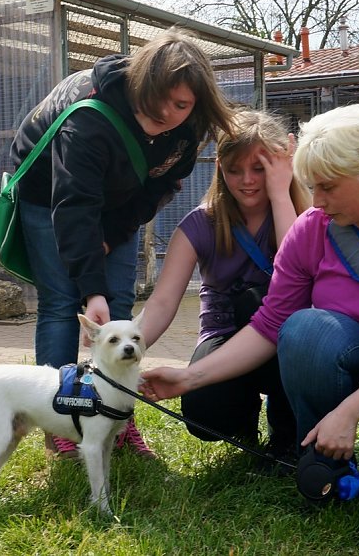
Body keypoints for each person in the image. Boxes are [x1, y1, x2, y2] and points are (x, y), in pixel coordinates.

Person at [140, 104, 359, 499]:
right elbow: (270, 324)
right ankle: (325, 461)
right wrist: (189, 377)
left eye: (327, 187)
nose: (317, 201)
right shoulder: (311, 229)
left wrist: (347, 412)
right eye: (312, 186)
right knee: (303, 329)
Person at [12, 27, 234, 459]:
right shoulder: (89, 116)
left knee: (118, 310)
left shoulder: (189, 125)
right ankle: (62, 420)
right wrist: (90, 284)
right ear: (141, 86)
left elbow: (160, 186)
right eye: (157, 104)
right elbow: (74, 204)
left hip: (120, 200)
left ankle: (117, 417)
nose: (168, 115)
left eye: (182, 105)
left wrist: (112, 238)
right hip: (49, 197)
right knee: (63, 304)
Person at [138, 109, 311, 462]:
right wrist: (124, 344)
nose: (247, 180)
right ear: (219, 167)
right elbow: (162, 302)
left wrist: (281, 195)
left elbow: (298, 273)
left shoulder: (304, 216)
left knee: (272, 311)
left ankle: (288, 434)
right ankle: (243, 419)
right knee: (206, 414)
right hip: (225, 334)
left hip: (289, 341)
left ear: (281, 168)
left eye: (260, 169)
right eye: (235, 169)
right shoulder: (199, 225)